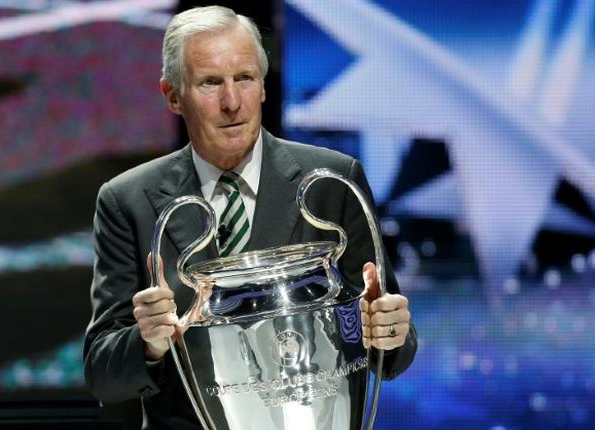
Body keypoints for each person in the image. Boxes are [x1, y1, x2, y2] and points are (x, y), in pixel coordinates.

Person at [83, 5, 417, 429]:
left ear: (262, 86)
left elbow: (394, 355)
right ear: (172, 95)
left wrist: (389, 330)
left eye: (244, 78)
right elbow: (103, 377)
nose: (231, 102)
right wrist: (148, 343)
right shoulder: (127, 201)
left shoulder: (333, 182)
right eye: (210, 83)